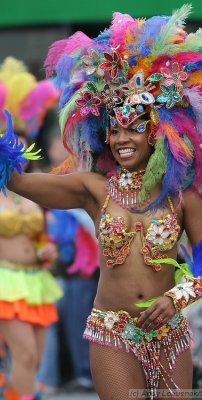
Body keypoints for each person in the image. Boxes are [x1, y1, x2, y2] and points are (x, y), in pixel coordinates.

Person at [0, 5, 202, 399]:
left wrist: (176, 298)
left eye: (134, 129)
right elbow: (19, 181)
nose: (122, 139)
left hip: (169, 334)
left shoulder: (182, 198)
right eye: (114, 131)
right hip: (110, 331)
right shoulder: (93, 189)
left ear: (156, 134)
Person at [0, 57, 62, 400]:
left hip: (36, 280)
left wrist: (45, 250)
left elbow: (39, 238)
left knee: (33, 361)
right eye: (11, 143)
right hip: (4, 282)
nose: (18, 149)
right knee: (22, 356)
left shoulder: (34, 190)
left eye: (22, 143)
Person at [37, 131, 99, 393]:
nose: (60, 150)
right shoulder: (41, 179)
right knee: (47, 323)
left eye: (66, 146)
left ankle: (85, 373)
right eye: (55, 143)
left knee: (79, 321)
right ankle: (48, 378)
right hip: (46, 267)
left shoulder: (86, 179)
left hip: (82, 270)